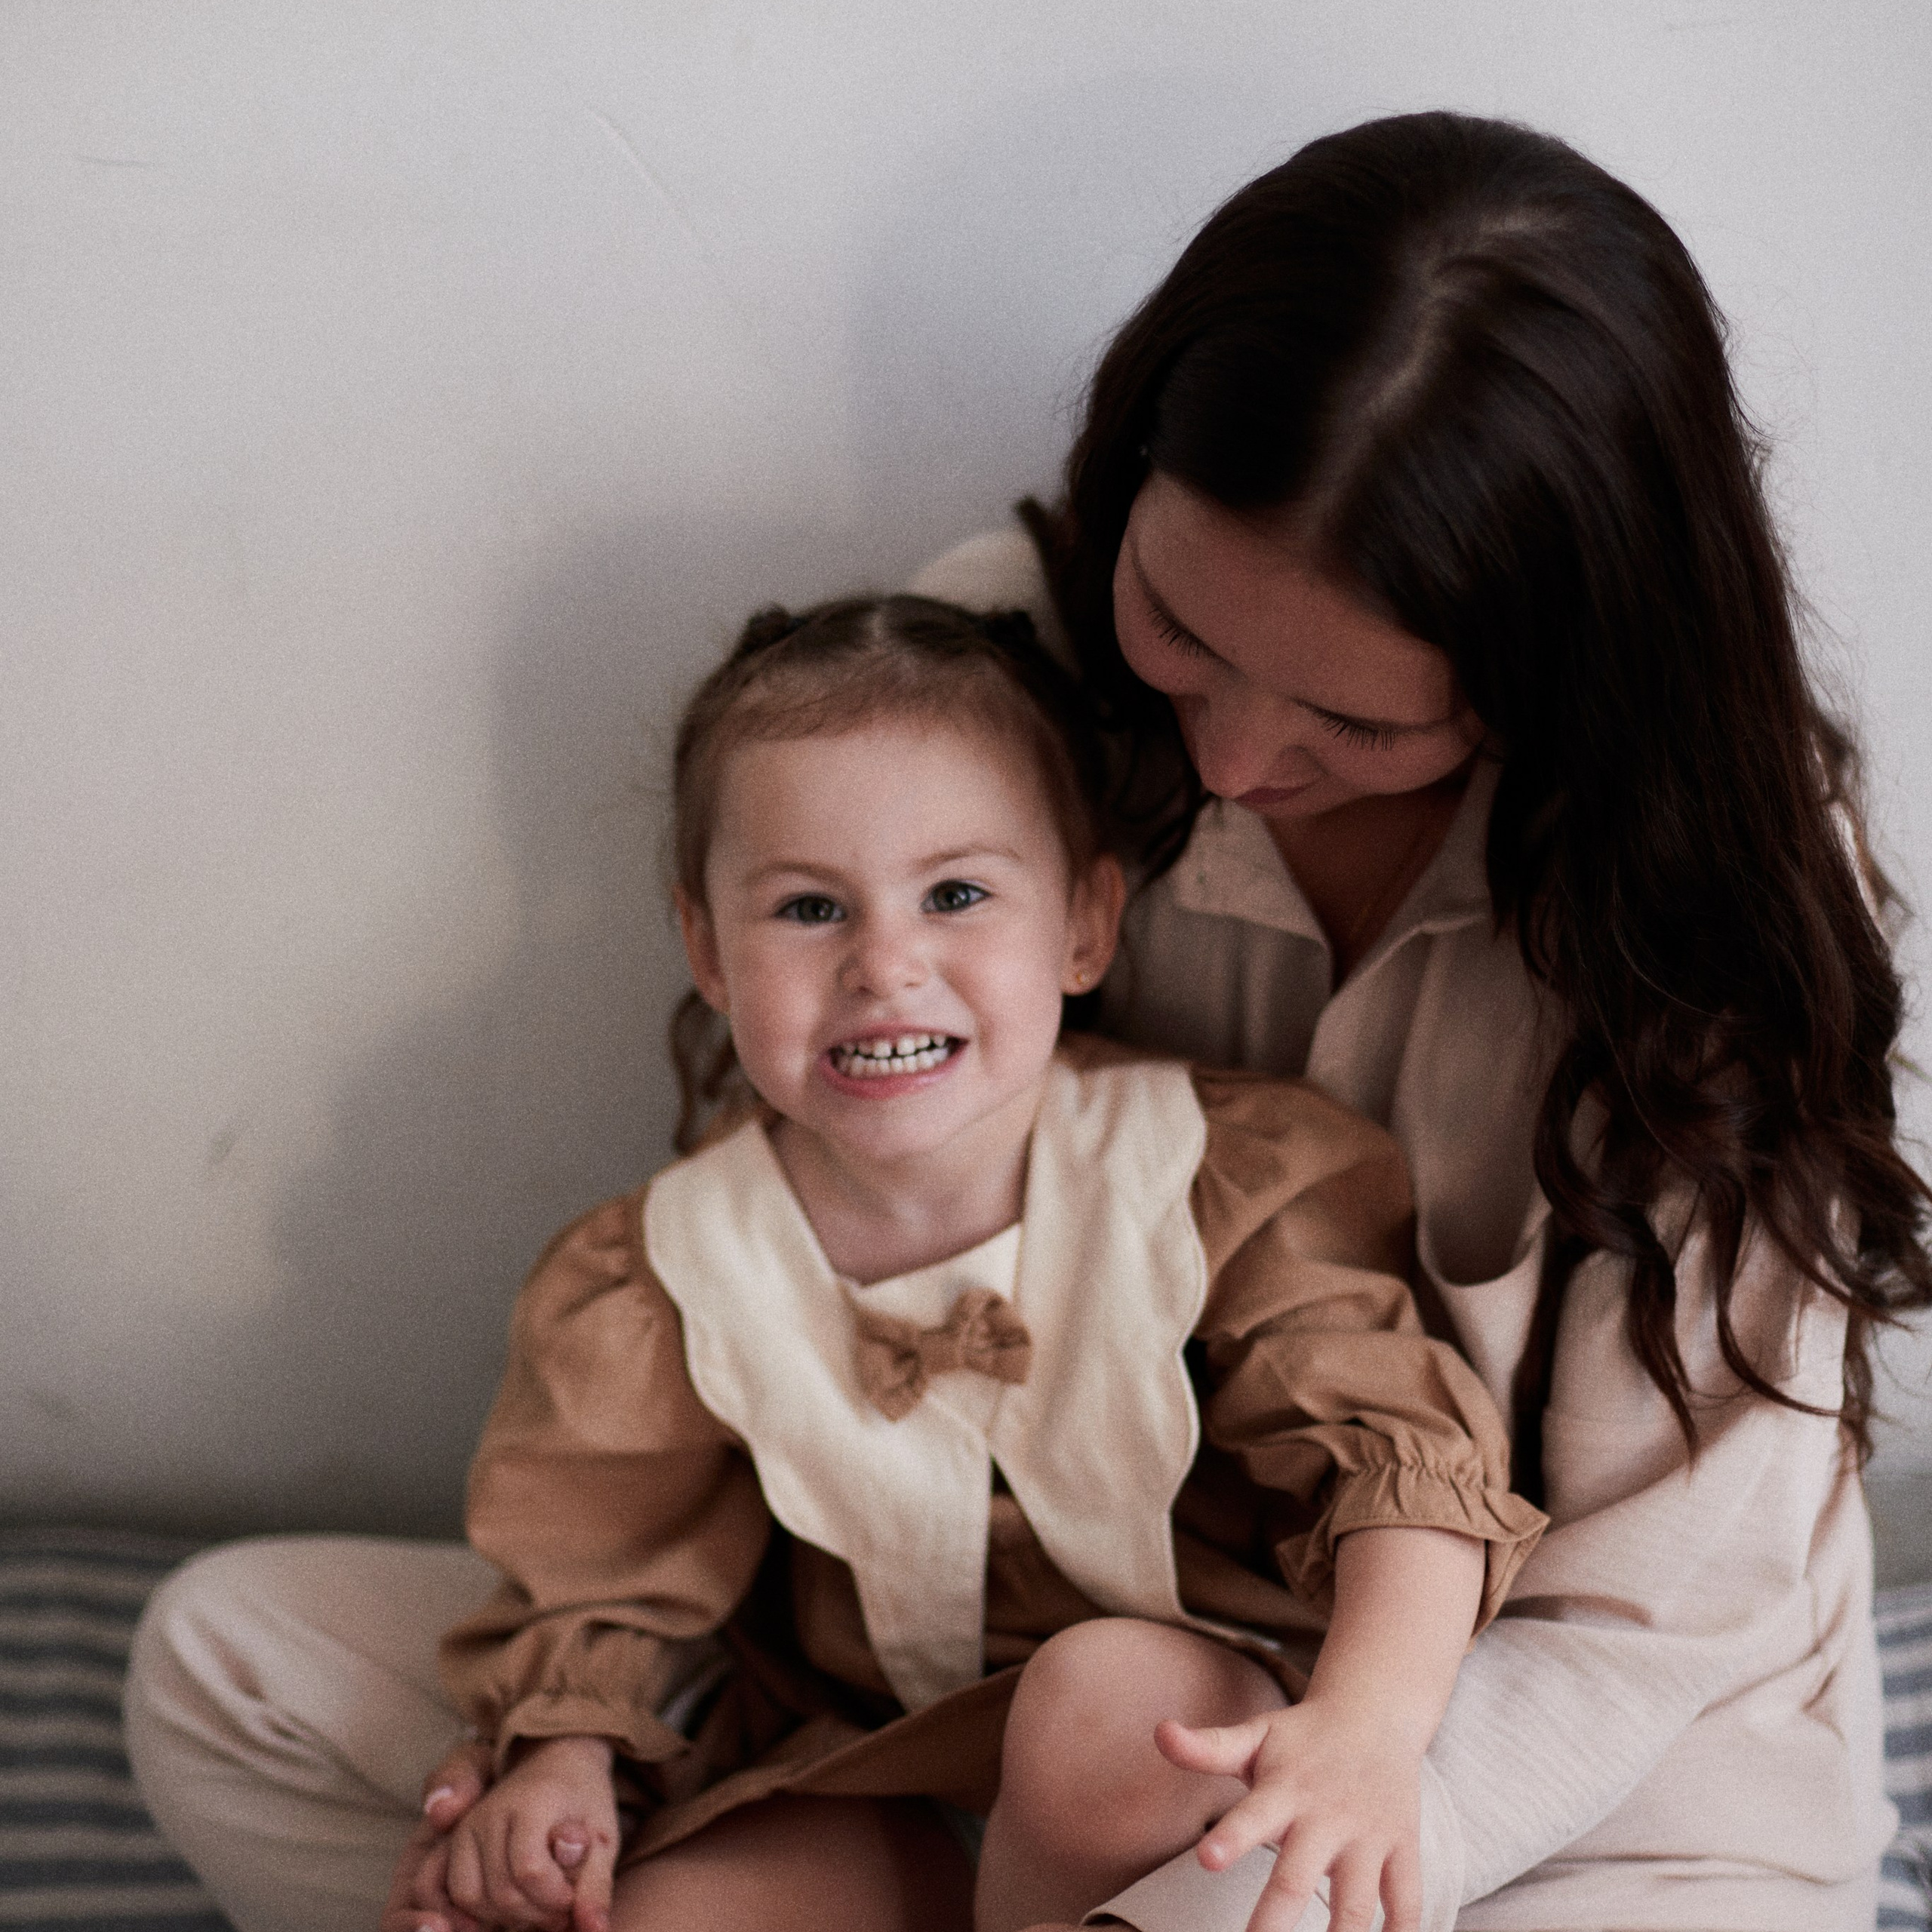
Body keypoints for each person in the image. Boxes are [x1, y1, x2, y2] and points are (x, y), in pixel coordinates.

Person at [125, 108, 1927, 1932]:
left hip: (1508, 1741)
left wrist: (1299, 1824)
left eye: (1357, 724)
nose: (1232, 759)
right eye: (1180, 630)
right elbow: (800, 1203)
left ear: (1562, 680)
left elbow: (1650, 1607)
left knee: (1167, 1798)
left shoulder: (1712, 901)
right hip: (960, 1684)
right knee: (227, 1669)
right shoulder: (990, 667)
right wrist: (567, 1750)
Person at [398, 591, 1541, 1932]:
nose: (886, 965)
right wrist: (562, 1761)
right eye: (810, 908)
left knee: (1103, 1700)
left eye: (955, 895)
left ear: (1085, 926)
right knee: (650, 1917)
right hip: (891, 1771)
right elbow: (604, 1565)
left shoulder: (1201, 1178)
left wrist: (1368, 1729)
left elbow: (1400, 1464)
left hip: (1193, 1766)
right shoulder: (673, 1266)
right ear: (707, 949)